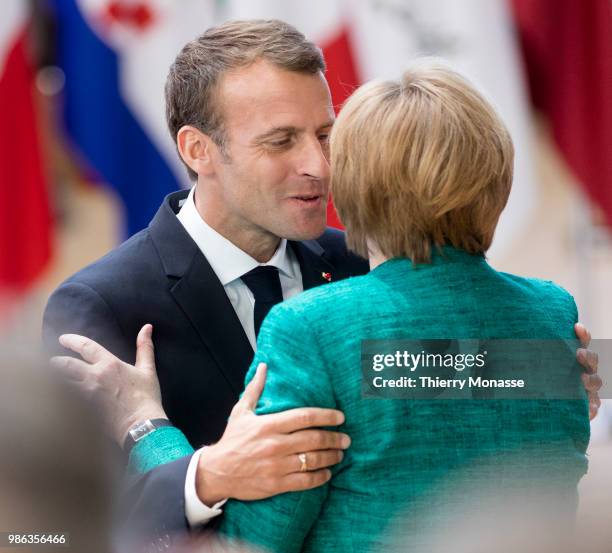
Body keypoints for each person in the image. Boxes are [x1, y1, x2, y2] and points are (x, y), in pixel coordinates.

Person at [45, 19, 601, 546]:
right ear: (198, 150)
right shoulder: (99, 305)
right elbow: (47, 529)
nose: (318, 163)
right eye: (281, 140)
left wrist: (539, 375)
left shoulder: (366, 267)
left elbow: (439, 399)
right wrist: (200, 479)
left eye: (324, 134)